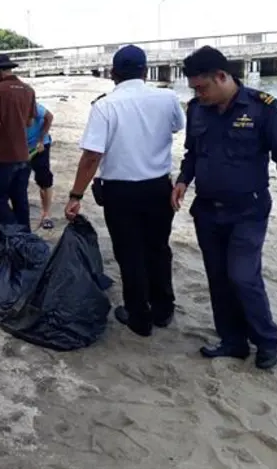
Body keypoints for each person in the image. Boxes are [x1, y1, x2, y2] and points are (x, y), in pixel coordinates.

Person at [173, 45, 277, 369]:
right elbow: (192, 153)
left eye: (202, 87)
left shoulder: (264, 108)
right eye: (194, 89)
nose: (198, 94)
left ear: (222, 76)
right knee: (218, 278)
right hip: (207, 211)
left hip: (248, 211)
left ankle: (266, 341)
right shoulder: (197, 110)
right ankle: (232, 341)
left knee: (243, 276)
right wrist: (182, 180)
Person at [64, 45, 185, 338]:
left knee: (130, 253)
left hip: (120, 192)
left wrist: (76, 195)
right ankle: (163, 308)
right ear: (145, 71)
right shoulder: (167, 97)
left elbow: (92, 156)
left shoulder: (105, 106)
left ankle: (139, 316)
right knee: (158, 248)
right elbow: (177, 127)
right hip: (158, 187)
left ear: (113, 74)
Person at [0, 53, 37, 231]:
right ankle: (25, 236)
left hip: (4, 154)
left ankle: (13, 231)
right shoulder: (28, 90)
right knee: (20, 198)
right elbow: (29, 122)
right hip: (23, 154)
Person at [27, 98, 55, 229]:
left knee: (44, 179)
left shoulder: (32, 106)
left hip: (40, 146)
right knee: (17, 179)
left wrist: (41, 139)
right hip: (21, 147)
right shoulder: (6, 108)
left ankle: (46, 214)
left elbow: (49, 117)